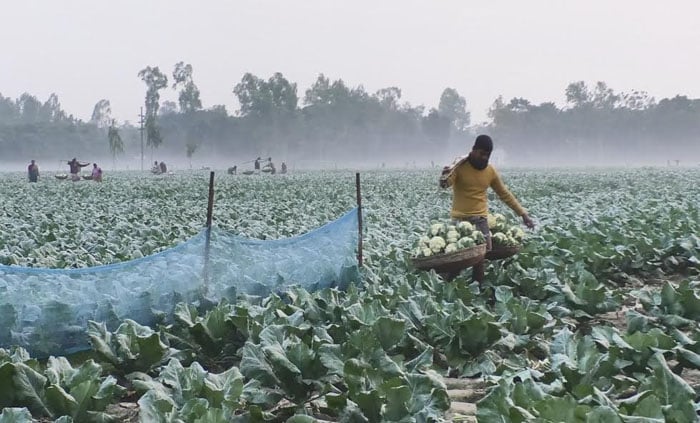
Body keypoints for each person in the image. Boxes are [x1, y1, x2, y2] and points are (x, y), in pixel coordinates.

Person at [439, 134, 535, 283]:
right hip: (460, 218)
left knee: (481, 254)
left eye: (487, 155)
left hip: (480, 218)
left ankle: (479, 285)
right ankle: (447, 282)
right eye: (482, 153)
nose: (484, 157)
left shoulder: (490, 171)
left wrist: (523, 214)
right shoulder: (460, 166)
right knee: (459, 255)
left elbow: (504, 194)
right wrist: (445, 175)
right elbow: (446, 184)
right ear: (473, 150)